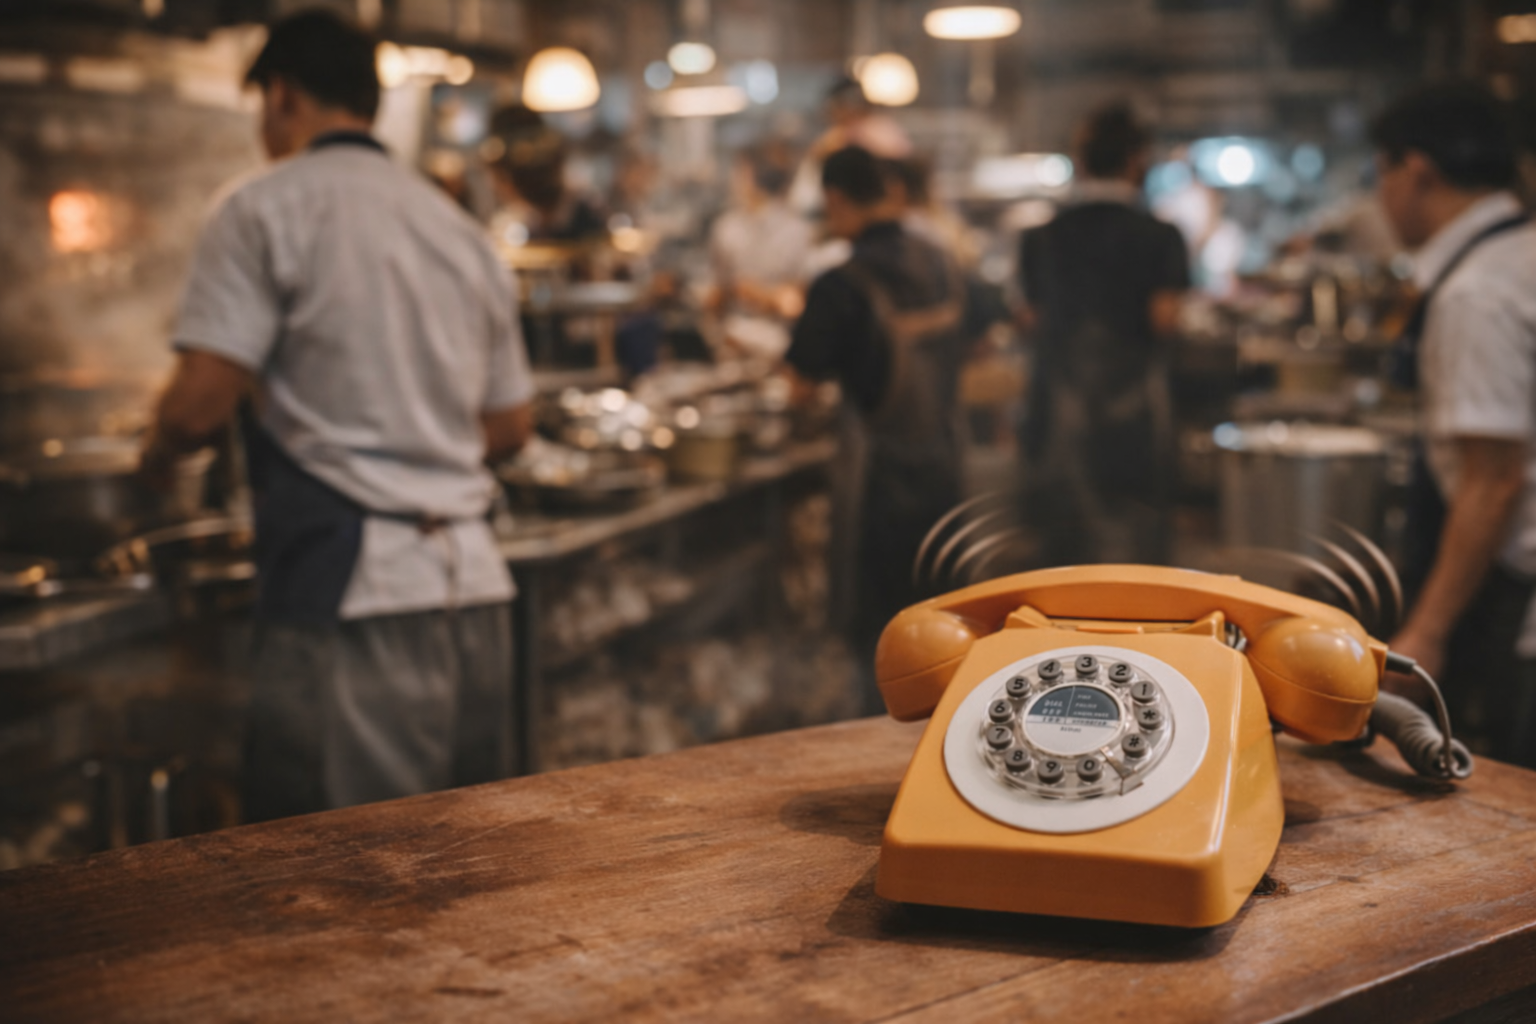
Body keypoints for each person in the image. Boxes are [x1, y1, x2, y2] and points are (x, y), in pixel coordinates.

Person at [139, 10, 535, 819]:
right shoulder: (458, 229)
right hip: (475, 593)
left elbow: (198, 406)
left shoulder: (261, 207)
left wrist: (151, 460)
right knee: (469, 855)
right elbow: (510, 427)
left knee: (343, 867)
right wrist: (416, 434)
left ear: (282, 96)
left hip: (352, 597)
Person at [1372, 83, 1536, 767]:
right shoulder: (1519, 255)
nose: (1379, 197)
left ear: (1416, 171)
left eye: (1380, 175)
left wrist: (1427, 632)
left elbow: (1494, 482)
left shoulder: (1478, 293)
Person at [786, 145, 968, 712]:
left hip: (878, 483)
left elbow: (800, 384)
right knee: (946, 618)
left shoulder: (840, 283)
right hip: (947, 464)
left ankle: (882, 736)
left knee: (882, 633)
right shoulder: (943, 262)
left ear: (836, 198)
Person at [1017, 103, 1189, 565]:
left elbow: (1031, 320)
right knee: (1137, 551)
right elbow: (1164, 319)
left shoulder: (1041, 238)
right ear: (1137, 161)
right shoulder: (1160, 236)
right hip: (1136, 415)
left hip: (1060, 415)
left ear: (1082, 161)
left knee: (1063, 554)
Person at [708, 143, 814, 360]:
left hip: (770, 345)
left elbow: (796, 303)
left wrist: (754, 293)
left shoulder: (727, 227)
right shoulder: (801, 229)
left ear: (748, 174)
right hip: (748, 343)